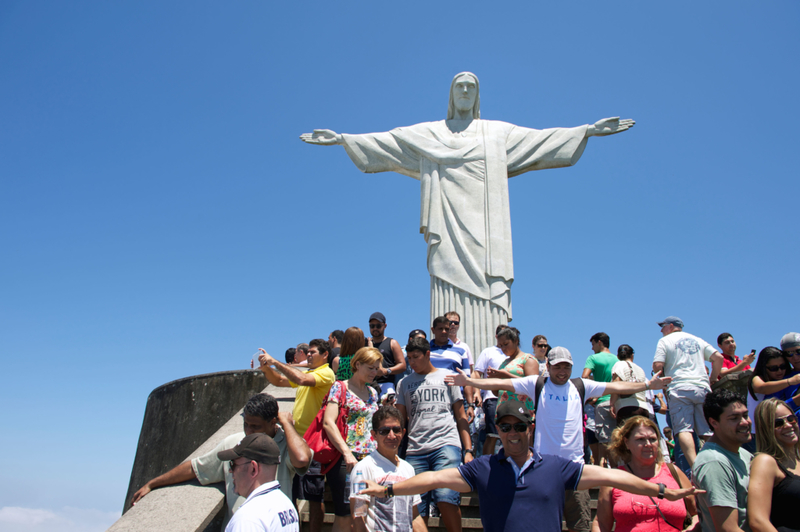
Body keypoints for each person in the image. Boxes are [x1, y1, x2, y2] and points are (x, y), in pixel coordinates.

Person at [300, 72, 634, 356]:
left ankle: (490, 355)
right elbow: (390, 142)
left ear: (476, 96)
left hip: (487, 225)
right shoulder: (431, 133)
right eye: (458, 87)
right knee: (445, 281)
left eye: (470, 88)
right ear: (450, 94)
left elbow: (540, 140)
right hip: (446, 222)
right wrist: (344, 139)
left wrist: (586, 130)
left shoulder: (495, 132)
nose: (463, 92)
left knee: (490, 287)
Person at [359, 399, 701, 532]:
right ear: (498, 432)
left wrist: (662, 490)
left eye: (519, 426)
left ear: (530, 429)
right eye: (504, 427)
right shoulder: (483, 468)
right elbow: (432, 479)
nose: (512, 433)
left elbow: (614, 476)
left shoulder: (557, 467)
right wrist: (389, 488)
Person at [446, 346, 672, 532]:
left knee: (580, 526)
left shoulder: (581, 386)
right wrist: (470, 382)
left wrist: (647, 386)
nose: (562, 371)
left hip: (575, 469)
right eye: (557, 367)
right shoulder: (537, 383)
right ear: (549, 367)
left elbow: (615, 386)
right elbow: (499, 384)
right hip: (543, 470)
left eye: (567, 366)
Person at [130, 393, 312, 527]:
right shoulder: (234, 443)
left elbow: (302, 459)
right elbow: (195, 468)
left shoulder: (286, 444)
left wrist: (287, 424)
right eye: (246, 424)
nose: (248, 431)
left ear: (273, 422)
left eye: (255, 426)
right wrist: (153, 484)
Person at [396, 336, 472, 532]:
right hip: (416, 449)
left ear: (427, 354)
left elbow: (461, 415)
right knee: (416, 507)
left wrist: (468, 449)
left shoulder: (448, 376)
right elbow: (400, 421)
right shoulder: (404, 383)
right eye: (409, 358)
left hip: (446, 445)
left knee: (446, 497)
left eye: (415, 357)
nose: (411, 362)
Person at [258, 339, 335, 531]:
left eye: (313, 352)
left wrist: (274, 361)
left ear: (325, 355)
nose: (308, 355)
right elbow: (279, 381)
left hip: (315, 444)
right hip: (296, 442)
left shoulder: (326, 373)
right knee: (289, 494)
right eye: (307, 352)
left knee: (314, 498)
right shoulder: (308, 373)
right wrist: (266, 368)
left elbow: (300, 380)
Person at [592, 415, 698, 532]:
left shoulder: (674, 472)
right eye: (640, 439)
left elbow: (697, 513)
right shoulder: (614, 478)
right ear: (626, 443)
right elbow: (601, 523)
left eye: (653, 439)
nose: (648, 444)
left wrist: (692, 528)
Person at [322, 347, 382, 532]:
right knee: (344, 513)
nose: (375, 372)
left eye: (377, 368)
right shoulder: (340, 387)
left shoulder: (373, 392)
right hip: (346, 459)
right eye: (371, 368)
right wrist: (347, 453)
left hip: (369, 458)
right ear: (357, 365)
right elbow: (328, 423)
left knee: (363, 512)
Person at [652, 316, 724, 467]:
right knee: (707, 431)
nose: (661, 330)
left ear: (670, 326)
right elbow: (717, 357)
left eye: (663, 326)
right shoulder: (697, 339)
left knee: (684, 430)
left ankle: (696, 466)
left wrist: (662, 379)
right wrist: (712, 378)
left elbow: (658, 365)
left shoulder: (665, 341)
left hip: (679, 388)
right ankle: (716, 464)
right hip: (702, 387)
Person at [350, 405, 425, 532]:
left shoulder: (409, 469)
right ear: (374, 435)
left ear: (403, 432)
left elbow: (414, 515)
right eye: (384, 431)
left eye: (396, 430)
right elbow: (358, 517)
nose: (391, 436)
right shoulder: (362, 468)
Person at [693, 388, 754, 532]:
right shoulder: (714, 462)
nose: (745, 422)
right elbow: (728, 529)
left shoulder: (743, 453)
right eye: (734, 418)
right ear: (714, 423)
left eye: (745, 415)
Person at [218, 433, 299, 532]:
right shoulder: (287, 505)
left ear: (253, 469)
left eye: (233, 464)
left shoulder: (247, 518)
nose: (230, 470)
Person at [747, 398, 800, 532]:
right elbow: (758, 521)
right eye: (778, 423)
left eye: (791, 419)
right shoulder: (765, 462)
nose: (788, 425)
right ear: (766, 429)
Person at [748, 347, 800, 441]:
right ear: (764, 367)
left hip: (776, 431)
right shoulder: (757, 378)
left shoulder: (782, 380)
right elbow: (762, 388)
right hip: (757, 434)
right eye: (773, 368)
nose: (779, 371)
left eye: (782, 366)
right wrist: (790, 381)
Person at [473, 324, 510, 456]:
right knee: (493, 435)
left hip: (512, 399)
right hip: (493, 399)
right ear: (496, 336)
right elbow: (477, 373)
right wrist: (477, 392)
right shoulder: (488, 352)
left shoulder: (515, 355)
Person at [583, 332, 619, 467]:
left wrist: (593, 396)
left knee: (605, 443)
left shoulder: (593, 358)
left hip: (603, 402)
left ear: (599, 343)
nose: (592, 348)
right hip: (618, 403)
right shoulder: (617, 359)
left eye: (593, 344)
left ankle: (610, 479)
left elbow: (585, 377)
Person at [491, 327, 538, 413]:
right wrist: (493, 380)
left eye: (506, 344)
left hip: (522, 411)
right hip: (504, 410)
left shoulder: (528, 359)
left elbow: (532, 386)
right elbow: (498, 392)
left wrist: (506, 375)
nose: (503, 348)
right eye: (501, 346)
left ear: (516, 341)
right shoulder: (504, 363)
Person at [609, 344, 651, 426]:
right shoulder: (640, 369)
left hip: (626, 407)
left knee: (627, 436)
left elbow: (616, 384)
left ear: (618, 356)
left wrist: (612, 404)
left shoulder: (619, 364)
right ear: (632, 355)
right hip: (643, 407)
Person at [369, 312, 407, 399]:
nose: (375, 328)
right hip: (368, 386)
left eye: (378, 326)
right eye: (372, 326)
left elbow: (402, 365)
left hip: (386, 385)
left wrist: (386, 371)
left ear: (385, 326)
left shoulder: (392, 343)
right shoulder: (366, 344)